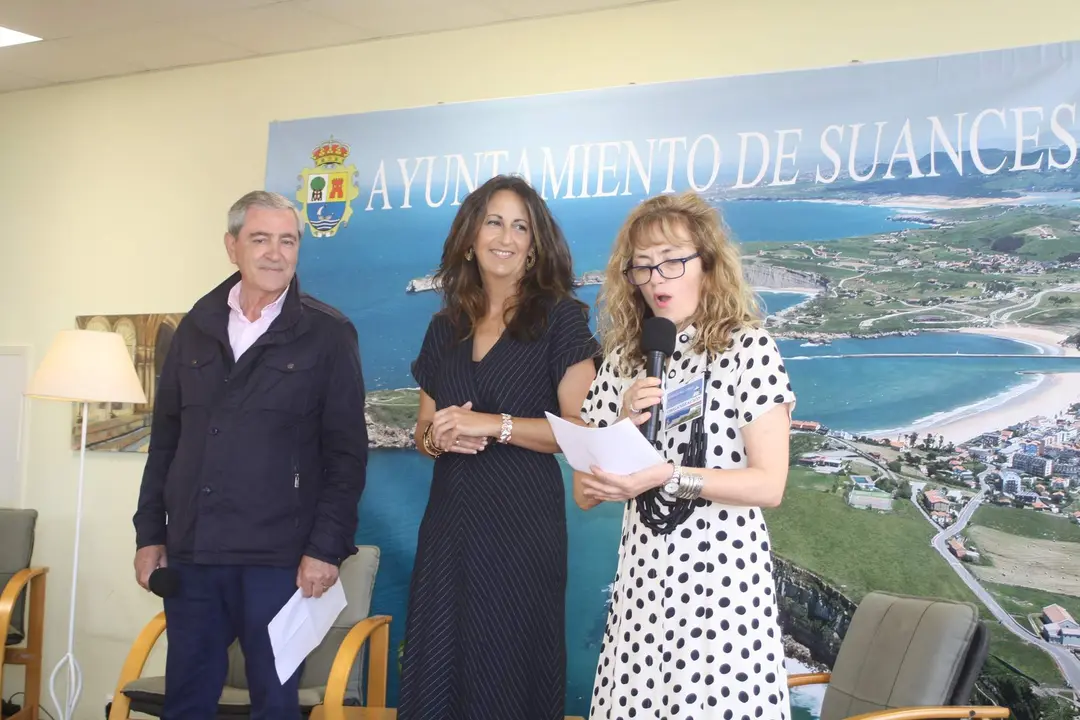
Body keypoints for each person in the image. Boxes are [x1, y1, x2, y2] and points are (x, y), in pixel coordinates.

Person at [132, 190, 369, 719]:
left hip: (279, 563)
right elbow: (165, 441)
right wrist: (150, 535)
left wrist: (326, 549)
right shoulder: (193, 327)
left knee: (274, 705)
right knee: (187, 703)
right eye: (260, 239)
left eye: (288, 241)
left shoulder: (327, 333)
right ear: (231, 246)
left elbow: (346, 455)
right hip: (193, 555)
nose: (275, 253)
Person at [575, 192, 797, 720]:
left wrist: (670, 475)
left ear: (708, 265)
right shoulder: (624, 361)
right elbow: (586, 492)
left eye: (673, 260)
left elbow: (770, 486)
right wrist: (621, 426)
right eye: (643, 266)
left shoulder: (747, 348)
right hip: (642, 592)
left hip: (722, 593)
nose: (657, 278)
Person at [398, 174, 599, 720]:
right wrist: (436, 437)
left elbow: (578, 431)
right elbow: (421, 430)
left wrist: (495, 425)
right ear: (470, 238)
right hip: (450, 525)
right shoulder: (445, 328)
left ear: (535, 247)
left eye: (521, 226)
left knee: (509, 669)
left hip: (522, 530)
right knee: (440, 665)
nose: (506, 236)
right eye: (494, 222)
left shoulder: (561, 320)